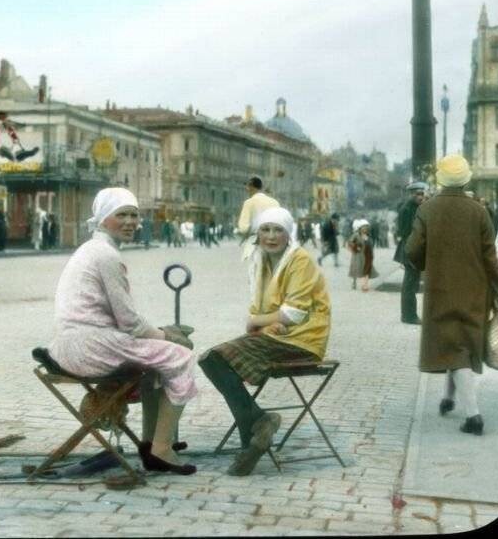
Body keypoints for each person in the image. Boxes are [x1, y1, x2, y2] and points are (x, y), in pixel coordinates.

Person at [48, 187, 198, 475]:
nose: (131, 222)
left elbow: (123, 320)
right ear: (103, 219)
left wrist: (159, 333)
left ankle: (150, 442)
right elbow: (129, 323)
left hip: (78, 343)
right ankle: (162, 450)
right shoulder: (106, 255)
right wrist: (170, 336)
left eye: (134, 215)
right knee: (180, 357)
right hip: (88, 347)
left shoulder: (93, 249)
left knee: (157, 362)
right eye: (122, 215)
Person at [199, 206, 331, 476]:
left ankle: (254, 433)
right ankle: (258, 426)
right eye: (265, 230)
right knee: (212, 359)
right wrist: (266, 323)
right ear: (257, 233)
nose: (271, 236)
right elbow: (267, 311)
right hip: (276, 335)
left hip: (303, 339)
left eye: (278, 230)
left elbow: (292, 314)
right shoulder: (260, 261)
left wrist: (256, 322)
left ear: (288, 233)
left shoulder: (300, 260)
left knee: (216, 358)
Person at [406, 155, 498, 436]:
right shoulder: (478, 210)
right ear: (465, 179)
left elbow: (413, 251)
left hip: (441, 289)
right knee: (461, 343)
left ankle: (473, 416)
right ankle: (449, 398)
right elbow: (490, 256)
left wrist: (428, 264)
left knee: (454, 345)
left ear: (440, 179)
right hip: (476, 289)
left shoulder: (428, 209)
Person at [394, 182, 428, 325]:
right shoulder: (407, 209)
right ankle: (409, 316)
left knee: (411, 283)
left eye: (422, 194)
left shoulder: (415, 207)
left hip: (413, 248)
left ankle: (408, 314)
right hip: (409, 249)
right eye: (417, 194)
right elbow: (405, 231)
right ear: (411, 194)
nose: (420, 197)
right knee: (409, 284)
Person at [236, 176, 280, 261]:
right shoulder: (275, 202)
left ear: (251, 187)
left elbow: (244, 228)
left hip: (257, 242)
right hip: (275, 241)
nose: (246, 189)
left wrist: (242, 232)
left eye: (247, 186)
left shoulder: (249, 203)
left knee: (257, 270)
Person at [348, 219, 379, 291]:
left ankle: (365, 285)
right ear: (360, 228)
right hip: (357, 256)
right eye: (364, 227)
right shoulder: (356, 235)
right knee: (356, 270)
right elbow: (350, 243)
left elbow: (371, 245)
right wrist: (356, 247)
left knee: (367, 270)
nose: (365, 229)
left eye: (367, 227)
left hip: (367, 255)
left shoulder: (369, 236)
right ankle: (354, 281)